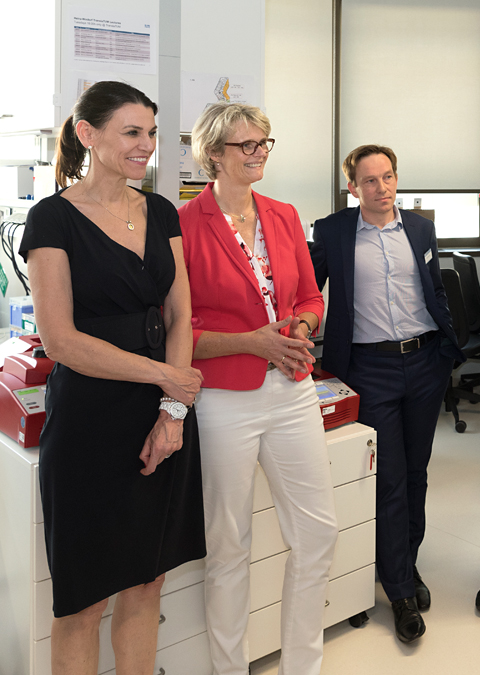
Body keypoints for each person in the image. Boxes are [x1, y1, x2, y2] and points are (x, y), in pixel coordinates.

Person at [20, 81, 206, 674]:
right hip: (91, 421)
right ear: (87, 134)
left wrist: (172, 413)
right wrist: (167, 378)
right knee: (82, 598)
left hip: (163, 415)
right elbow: (61, 340)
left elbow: (180, 312)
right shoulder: (53, 218)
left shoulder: (160, 210)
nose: (146, 145)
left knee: (146, 582)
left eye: (150, 132)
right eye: (132, 132)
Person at [179, 102, 338, 675]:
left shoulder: (284, 214)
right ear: (214, 154)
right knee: (229, 547)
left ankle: (302, 666)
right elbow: (182, 331)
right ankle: (230, 668)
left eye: (265, 143)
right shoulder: (184, 224)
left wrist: (300, 327)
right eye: (246, 145)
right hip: (225, 398)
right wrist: (252, 341)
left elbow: (310, 298)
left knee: (318, 533)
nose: (258, 153)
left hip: (292, 387)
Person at [310, 144, 464, 644]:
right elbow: (308, 291)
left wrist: (445, 346)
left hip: (423, 362)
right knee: (390, 477)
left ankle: (404, 563)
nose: (381, 188)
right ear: (352, 186)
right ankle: (398, 589)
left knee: (416, 472)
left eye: (388, 177)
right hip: (369, 367)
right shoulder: (333, 231)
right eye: (369, 180)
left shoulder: (419, 228)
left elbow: (432, 289)